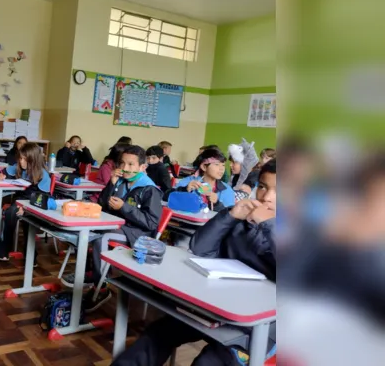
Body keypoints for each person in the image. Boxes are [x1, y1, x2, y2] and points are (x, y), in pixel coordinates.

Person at [112, 160, 276, 366]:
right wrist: (230, 215)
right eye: (262, 187)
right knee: (156, 335)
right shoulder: (244, 220)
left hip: (260, 327)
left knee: (208, 362)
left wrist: (269, 225)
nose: (267, 197)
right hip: (216, 305)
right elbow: (200, 248)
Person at [61, 146, 162, 311]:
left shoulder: (149, 189)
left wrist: (124, 208)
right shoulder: (120, 182)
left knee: (101, 237)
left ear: (143, 168)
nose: (125, 168)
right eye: (122, 163)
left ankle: (100, 288)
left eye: (131, 164)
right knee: (87, 230)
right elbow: (102, 204)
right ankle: (91, 272)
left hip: (136, 234)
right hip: (118, 226)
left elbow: (151, 222)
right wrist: (111, 185)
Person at [0, 143, 52, 263]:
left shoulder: (43, 175)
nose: (21, 162)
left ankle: (31, 254)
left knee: (29, 220)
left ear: (33, 160)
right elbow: (1, 172)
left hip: (35, 204)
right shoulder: (18, 167)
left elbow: (44, 198)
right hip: (19, 201)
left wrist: (27, 208)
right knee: (11, 212)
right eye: (20, 158)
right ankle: (4, 247)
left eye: (24, 159)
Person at [170, 149, 235, 211]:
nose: (221, 169)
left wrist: (217, 204)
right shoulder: (188, 182)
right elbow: (167, 198)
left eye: (223, 165)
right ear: (204, 167)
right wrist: (185, 190)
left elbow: (230, 216)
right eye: (217, 164)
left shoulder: (226, 190)